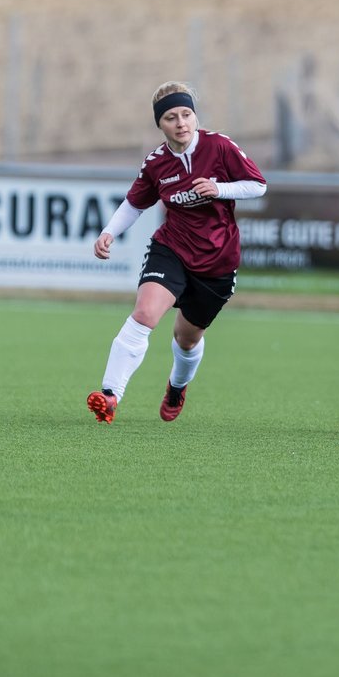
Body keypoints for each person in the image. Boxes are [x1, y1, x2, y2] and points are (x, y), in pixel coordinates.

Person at [87, 81, 267, 424]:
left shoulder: (220, 147)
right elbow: (134, 203)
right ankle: (110, 395)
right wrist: (108, 232)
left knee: (186, 339)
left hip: (217, 261)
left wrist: (220, 188)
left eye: (187, 114)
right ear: (160, 124)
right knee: (144, 314)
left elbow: (258, 185)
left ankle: (177, 385)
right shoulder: (156, 163)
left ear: (195, 117)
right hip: (172, 248)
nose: (181, 122)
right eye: (171, 117)